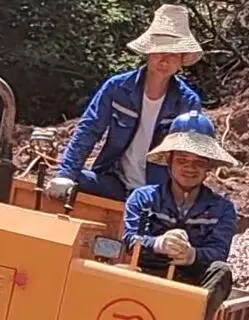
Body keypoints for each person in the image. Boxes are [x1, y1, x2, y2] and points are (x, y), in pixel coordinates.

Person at [46, 5, 205, 203]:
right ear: (148, 52)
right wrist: (66, 174)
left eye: (173, 53)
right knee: (69, 179)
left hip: (158, 193)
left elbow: (190, 156)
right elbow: (89, 130)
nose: (165, 59)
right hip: (114, 181)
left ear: (181, 60)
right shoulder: (117, 88)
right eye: (160, 51)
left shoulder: (187, 102)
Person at [122, 111, 239, 320]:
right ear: (169, 161)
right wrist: (159, 243)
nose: (190, 168)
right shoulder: (143, 198)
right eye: (182, 160)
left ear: (208, 168)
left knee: (221, 271)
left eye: (199, 162)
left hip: (193, 285)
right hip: (144, 275)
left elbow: (218, 252)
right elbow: (130, 240)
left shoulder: (223, 209)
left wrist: (191, 255)